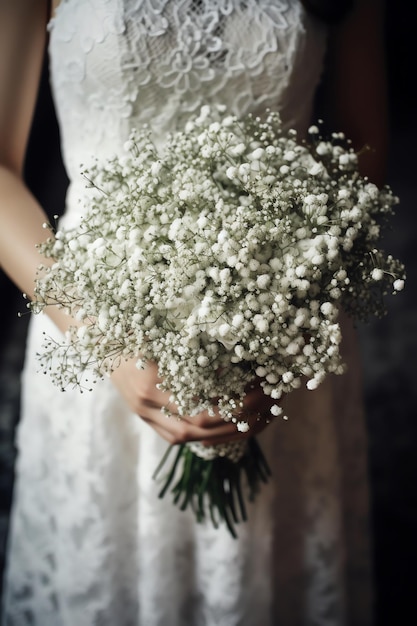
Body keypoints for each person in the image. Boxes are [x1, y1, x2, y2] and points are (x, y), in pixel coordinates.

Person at [0, 0, 388, 624]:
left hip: (283, 332)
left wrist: (287, 306)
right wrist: (106, 339)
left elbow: (363, 133)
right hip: (97, 324)